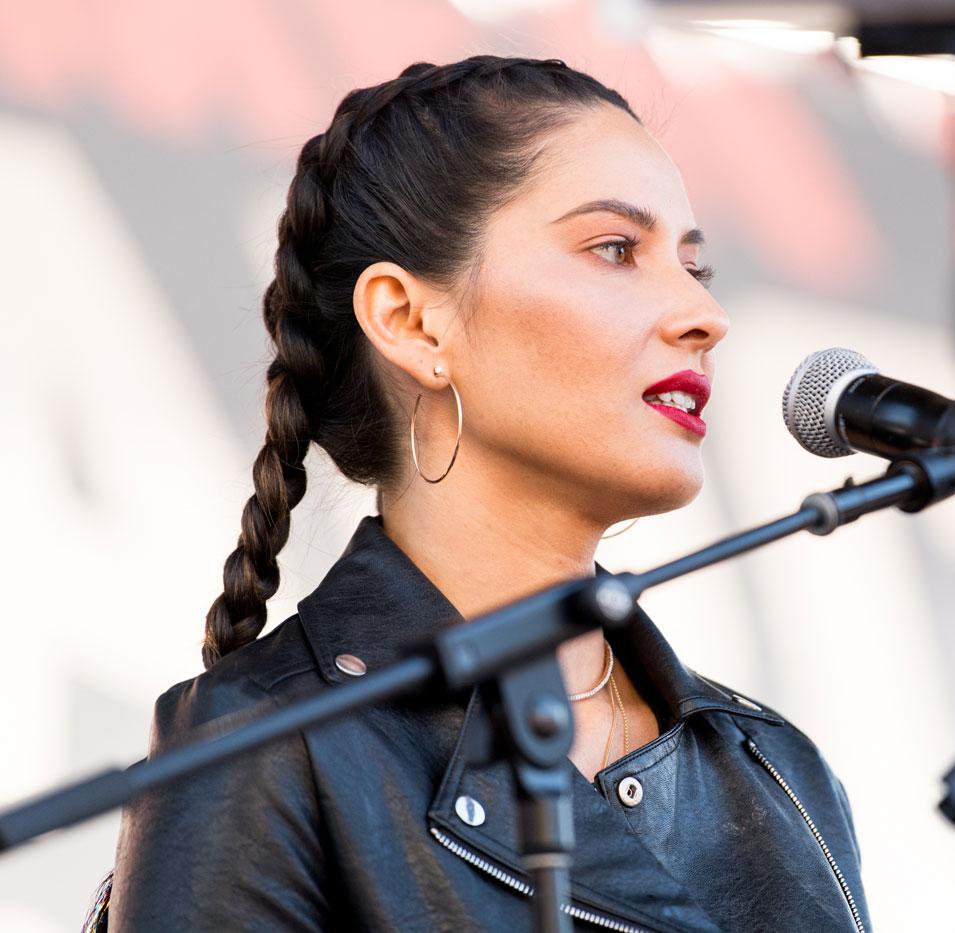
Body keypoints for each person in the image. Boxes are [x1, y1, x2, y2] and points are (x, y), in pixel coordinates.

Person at [107, 55, 869, 932]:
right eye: (616, 249)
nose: (704, 316)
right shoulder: (260, 744)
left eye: (695, 268)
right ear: (411, 320)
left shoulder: (776, 770)